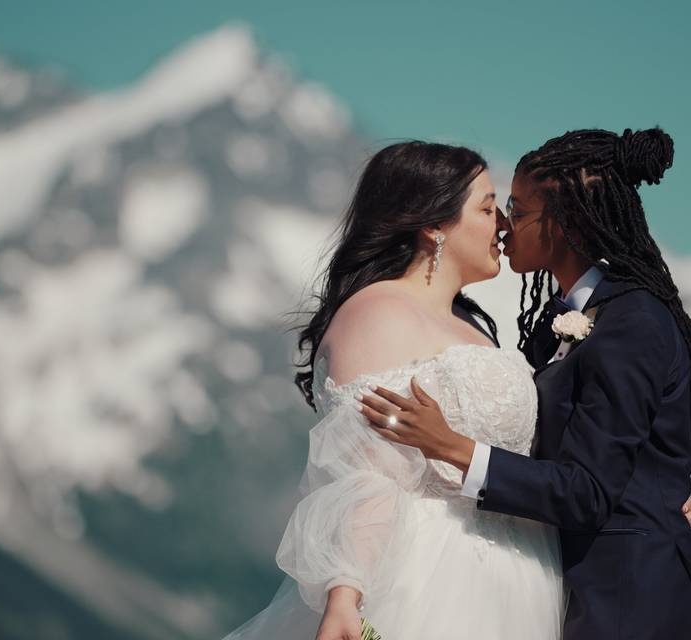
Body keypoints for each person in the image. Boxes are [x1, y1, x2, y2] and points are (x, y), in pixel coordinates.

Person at [359, 128, 691, 639]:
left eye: (518, 210)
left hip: (628, 602)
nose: (505, 226)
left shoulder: (633, 323)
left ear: (565, 222)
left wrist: (454, 448)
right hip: (567, 590)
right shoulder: (560, 321)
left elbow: (589, 492)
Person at [222, 140, 566, 639]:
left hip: (523, 578)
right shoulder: (378, 312)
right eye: (488, 208)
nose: (504, 225)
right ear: (432, 225)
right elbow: (369, 471)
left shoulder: (475, 328)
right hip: (432, 581)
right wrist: (346, 594)